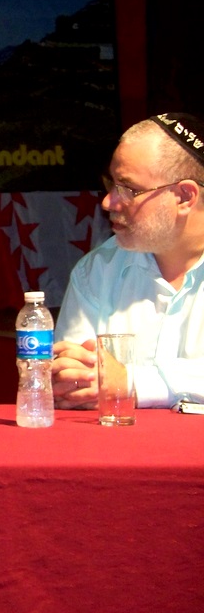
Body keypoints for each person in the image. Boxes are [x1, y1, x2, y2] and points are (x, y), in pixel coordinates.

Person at [52, 112, 204, 409]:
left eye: (128, 189)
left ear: (185, 197)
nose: (108, 201)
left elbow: (112, 384)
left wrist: (132, 383)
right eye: (110, 184)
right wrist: (72, 380)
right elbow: (76, 381)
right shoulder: (98, 269)